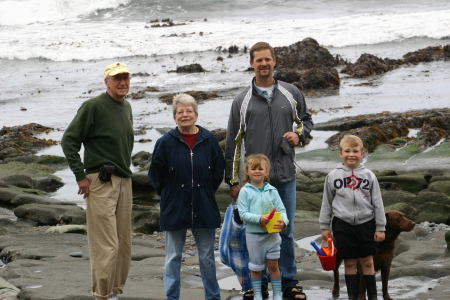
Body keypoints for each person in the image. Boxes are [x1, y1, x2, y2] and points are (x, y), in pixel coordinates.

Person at [225, 41, 313, 300]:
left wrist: (300, 136)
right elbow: (233, 144)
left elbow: (305, 121)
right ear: (251, 64)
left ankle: (289, 282)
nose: (263, 64)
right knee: (254, 231)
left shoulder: (291, 93)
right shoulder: (241, 101)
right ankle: (257, 283)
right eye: (258, 60)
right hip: (253, 183)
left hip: (284, 176)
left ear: (275, 61)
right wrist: (232, 181)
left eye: (268, 59)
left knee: (283, 229)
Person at [61, 62, 134, 300]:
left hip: (125, 180)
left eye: (125, 78)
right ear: (107, 82)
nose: (122, 82)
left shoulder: (127, 107)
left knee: (123, 243)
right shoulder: (93, 106)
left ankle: (114, 292)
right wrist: (80, 176)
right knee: (106, 243)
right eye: (117, 79)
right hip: (100, 181)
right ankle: (102, 295)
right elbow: (69, 140)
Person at [148, 93, 224, 300]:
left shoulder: (209, 141)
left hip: (204, 205)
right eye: (180, 112)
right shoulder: (165, 142)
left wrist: (205, 192)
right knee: (173, 257)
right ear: (174, 118)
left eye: (189, 111)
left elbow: (218, 172)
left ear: (196, 115)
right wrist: (170, 195)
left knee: (207, 257)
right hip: (175, 206)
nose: (185, 115)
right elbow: (156, 174)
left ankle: (212, 297)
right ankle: (172, 297)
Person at [319, 135, 386, 300]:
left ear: (362, 154)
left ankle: (373, 297)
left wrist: (380, 227)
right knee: (349, 262)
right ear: (340, 153)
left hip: (366, 224)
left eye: (355, 151)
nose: (351, 154)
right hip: (342, 224)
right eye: (347, 151)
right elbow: (326, 202)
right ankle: (352, 297)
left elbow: (378, 202)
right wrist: (325, 226)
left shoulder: (369, 176)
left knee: (367, 262)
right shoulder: (333, 176)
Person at [237, 154, 288, 300]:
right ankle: (258, 293)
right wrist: (259, 219)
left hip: (272, 236)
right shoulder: (245, 191)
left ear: (266, 171)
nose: (257, 171)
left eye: (261, 168)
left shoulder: (272, 190)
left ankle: (277, 293)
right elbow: (243, 214)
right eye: (253, 168)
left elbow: (282, 210)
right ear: (247, 171)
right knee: (256, 267)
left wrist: (284, 222)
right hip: (254, 236)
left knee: (273, 265)